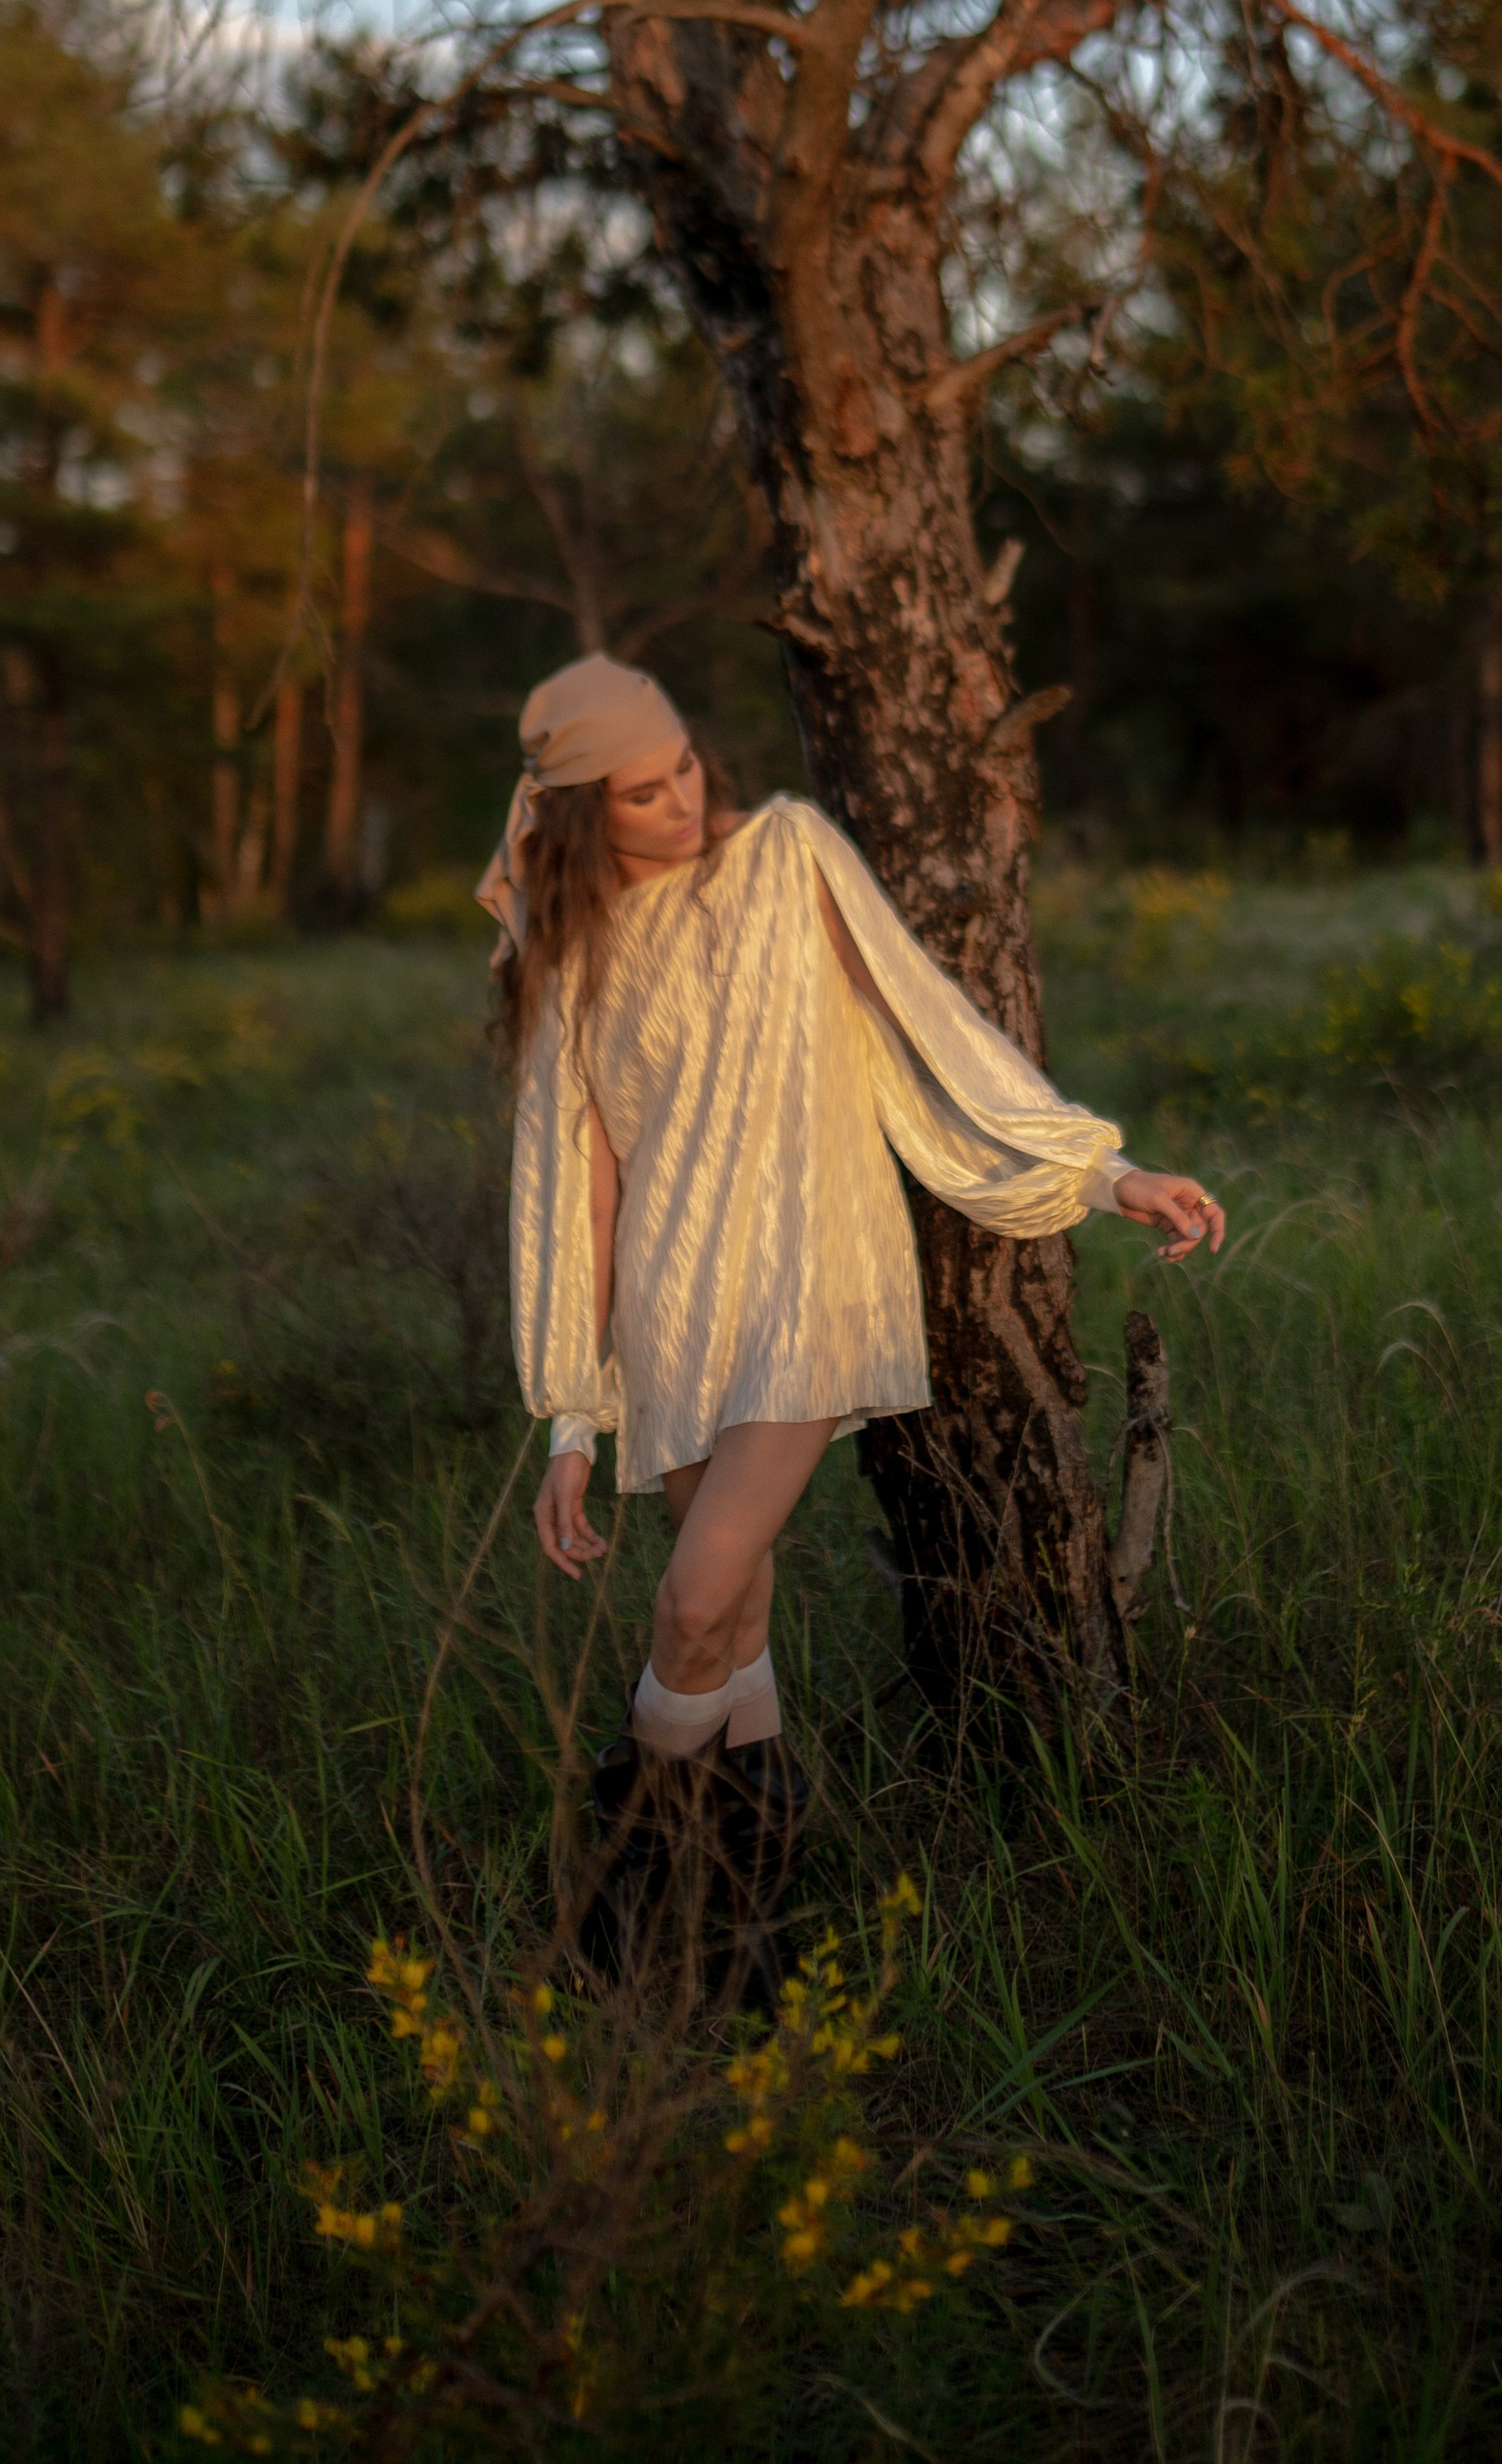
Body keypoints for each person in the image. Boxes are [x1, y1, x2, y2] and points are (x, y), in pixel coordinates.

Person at [477, 653, 1224, 1976]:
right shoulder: (574, 955)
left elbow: (926, 1029)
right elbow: (576, 1195)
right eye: (642, 793)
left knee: (690, 1607)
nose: (681, 801)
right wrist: (571, 1421)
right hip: (673, 1308)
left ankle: (624, 1908)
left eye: (684, 767)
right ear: (586, 813)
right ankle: (744, 1934)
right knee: (733, 1622)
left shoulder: (786, 853)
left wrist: (1106, 1175)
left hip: (813, 1282)